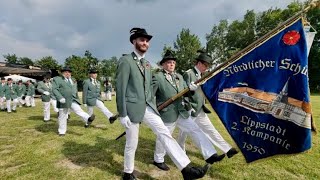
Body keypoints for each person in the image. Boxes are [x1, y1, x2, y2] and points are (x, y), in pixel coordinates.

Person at [116, 27, 208, 180]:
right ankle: (128, 172)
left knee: (164, 133)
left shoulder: (147, 64)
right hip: (132, 108)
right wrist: (123, 113)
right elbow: (120, 88)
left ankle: (186, 169)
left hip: (148, 107)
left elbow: (149, 88)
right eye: (141, 40)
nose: (145, 43)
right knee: (132, 142)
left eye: (147, 41)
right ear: (134, 41)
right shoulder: (126, 61)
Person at [152, 50, 225, 171]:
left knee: (195, 129)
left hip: (181, 111)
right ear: (163, 64)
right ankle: (158, 159)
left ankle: (210, 155)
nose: (171, 64)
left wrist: (190, 89)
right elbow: (150, 95)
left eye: (173, 62)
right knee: (164, 137)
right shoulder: (158, 77)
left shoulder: (179, 77)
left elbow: (185, 93)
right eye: (169, 62)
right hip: (167, 112)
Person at [178, 50, 239, 159]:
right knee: (184, 133)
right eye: (205, 65)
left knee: (210, 129)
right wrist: (188, 106)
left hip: (200, 108)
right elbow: (182, 92)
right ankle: (180, 149)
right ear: (199, 63)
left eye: (208, 66)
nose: (206, 68)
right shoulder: (188, 74)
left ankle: (227, 149)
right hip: (190, 108)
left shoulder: (204, 75)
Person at [52, 66, 95, 136]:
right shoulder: (57, 79)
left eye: (69, 72)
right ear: (62, 73)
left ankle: (88, 119)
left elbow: (75, 90)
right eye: (65, 72)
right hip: (63, 100)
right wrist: (60, 98)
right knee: (63, 115)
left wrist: (77, 98)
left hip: (72, 99)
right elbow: (54, 89)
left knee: (78, 110)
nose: (67, 73)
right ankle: (62, 131)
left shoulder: (73, 79)